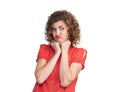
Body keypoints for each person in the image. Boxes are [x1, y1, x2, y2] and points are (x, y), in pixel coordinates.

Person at [32, 10, 87, 92]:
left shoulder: (79, 53)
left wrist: (64, 51)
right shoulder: (45, 49)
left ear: (70, 29)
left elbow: (65, 82)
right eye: (54, 29)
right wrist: (57, 53)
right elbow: (40, 78)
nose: (57, 33)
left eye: (61, 28)